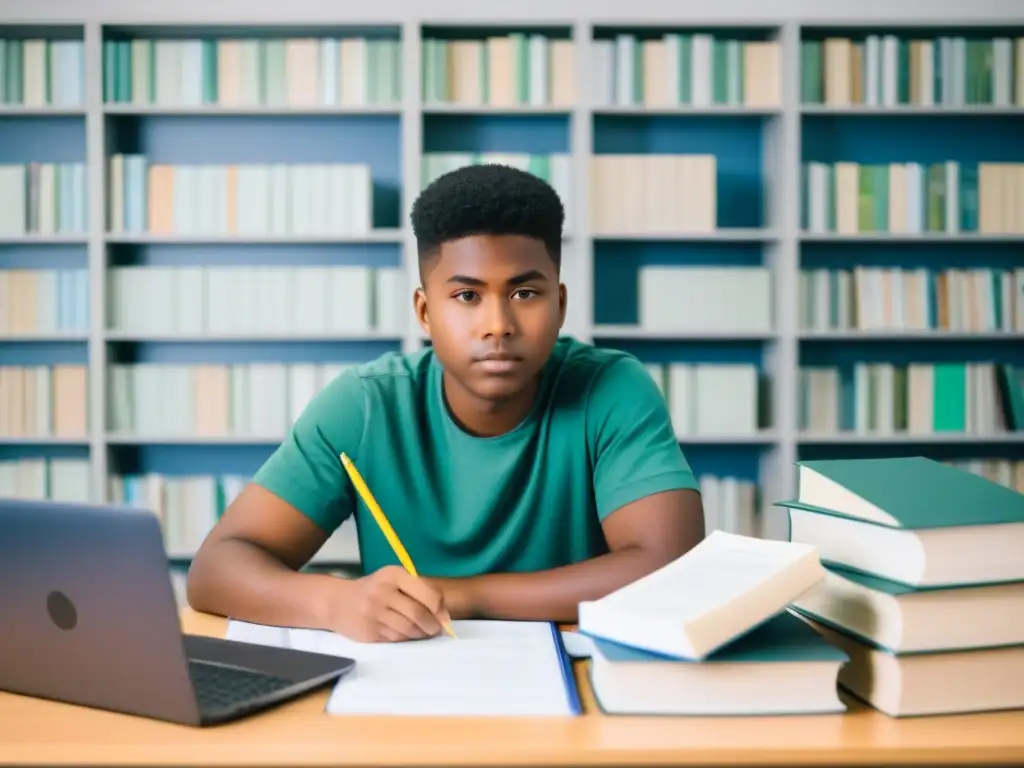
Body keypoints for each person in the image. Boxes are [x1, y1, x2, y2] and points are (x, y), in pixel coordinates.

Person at [187, 164, 705, 643]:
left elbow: (669, 567)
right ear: (424, 310)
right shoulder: (365, 406)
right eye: (466, 296)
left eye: (525, 293)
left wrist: (462, 594)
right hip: (406, 678)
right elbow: (216, 569)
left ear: (561, 304)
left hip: (578, 681)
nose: (498, 323)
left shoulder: (612, 389)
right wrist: (335, 601)